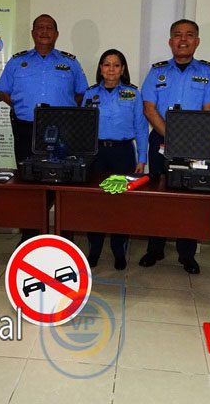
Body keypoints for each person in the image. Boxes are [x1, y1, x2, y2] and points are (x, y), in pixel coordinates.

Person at [140, 19, 210, 274]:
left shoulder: (208, 72)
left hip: (194, 144)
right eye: (177, 35)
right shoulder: (157, 71)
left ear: (197, 41)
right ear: (170, 41)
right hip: (160, 141)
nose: (183, 39)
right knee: (158, 196)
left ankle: (186, 254)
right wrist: (172, 136)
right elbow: (149, 108)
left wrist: (186, 139)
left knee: (189, 199)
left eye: (189, 35)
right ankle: (154, 249)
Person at [0, 14, 89, 243]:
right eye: (40, 27)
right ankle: (29, 234)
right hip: (26, 130)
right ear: (32, 33)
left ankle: (64, 234)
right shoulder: (17, 62)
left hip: (63, 131)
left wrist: (63, 114)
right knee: (28, 181)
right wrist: (22, 107)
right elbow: (3, 92)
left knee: (64, 179)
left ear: (56, 34)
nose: (44, 31)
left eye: (49, 28)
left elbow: (81, 94)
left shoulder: (70, 62)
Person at [83, 49, 148, 270]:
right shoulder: (90, 94)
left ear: (122, 69)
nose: (111, 69)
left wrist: (142, 157)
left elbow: (141, 127)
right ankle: (94, 249)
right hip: (96, 154)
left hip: (123, 153)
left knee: (121, 204)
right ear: (100, 68)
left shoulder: (133, 94)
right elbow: (83, 127)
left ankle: (119, 250)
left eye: (116, 65)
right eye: (107, 64)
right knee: (95, 204)